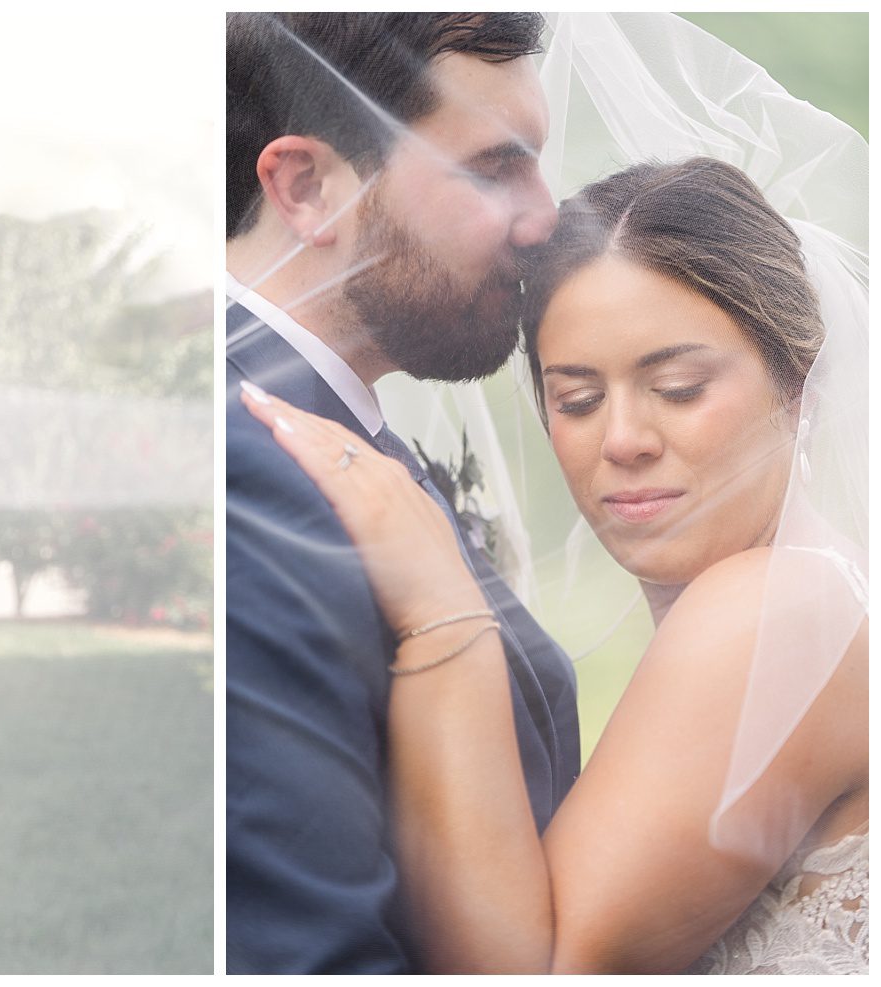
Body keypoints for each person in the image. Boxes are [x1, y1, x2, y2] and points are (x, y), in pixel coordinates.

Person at [240, 155, 867, 974]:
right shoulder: (825, 586)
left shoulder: (779, 605)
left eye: (677, 387)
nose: (623, 439)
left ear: (798, 386)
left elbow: (541, 965)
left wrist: (441, 611)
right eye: (576, 398)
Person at [222, 12, 576, 973]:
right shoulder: (245, 468)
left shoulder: (340, 431)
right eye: (494, 167)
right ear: (307, 187)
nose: (546, 216)